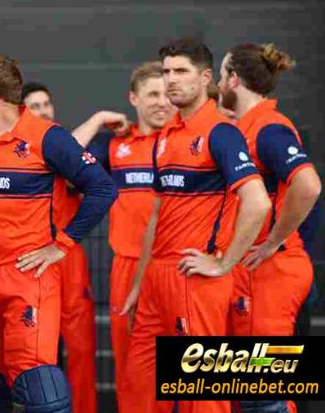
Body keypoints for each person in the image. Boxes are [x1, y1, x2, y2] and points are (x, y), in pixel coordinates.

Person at [0, 53, 117, 412]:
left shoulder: (47, 138)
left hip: (26, 279)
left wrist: (62, 245)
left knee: (41, 391)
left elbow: (102, 189)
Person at [120, 38, 271, 413]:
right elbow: (158, 215)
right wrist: (141, 281)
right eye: (167, 71)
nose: (171, 80)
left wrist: (223, 263)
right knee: (138, 388)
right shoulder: (167, 136)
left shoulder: (221, 132)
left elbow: (258, 201)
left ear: (206, 78)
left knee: (202, 398)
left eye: (181, 71)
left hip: (195, 276)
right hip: (157, 277)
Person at [218, 43, 321, 413]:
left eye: (220, 75)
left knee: (264, 392)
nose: (216, 84)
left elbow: (308, 184)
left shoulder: (267, 127)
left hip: (269, 273)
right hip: (254, 272)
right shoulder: (244, 128)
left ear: (233, 79)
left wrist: (274, 241)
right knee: (247, 389)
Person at [71, 62, 173, 412]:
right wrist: (99, 119)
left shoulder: (187, 141)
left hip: (177, 268)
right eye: (153, 94)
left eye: (167, 94)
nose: (163, 102)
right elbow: (64, 159)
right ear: (134, 98)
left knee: (185, 371)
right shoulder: (116, 146)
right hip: (127, 267)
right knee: (131, 368)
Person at [24, 80, 98, 413]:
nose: (43, 111)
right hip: (32, 257)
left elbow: (73, 167)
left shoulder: (63, 146)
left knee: (81, 348)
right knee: (37, 350)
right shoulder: (19, 148)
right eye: (35, 106)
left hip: (67, 256)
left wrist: (99, 119)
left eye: (46, 104)